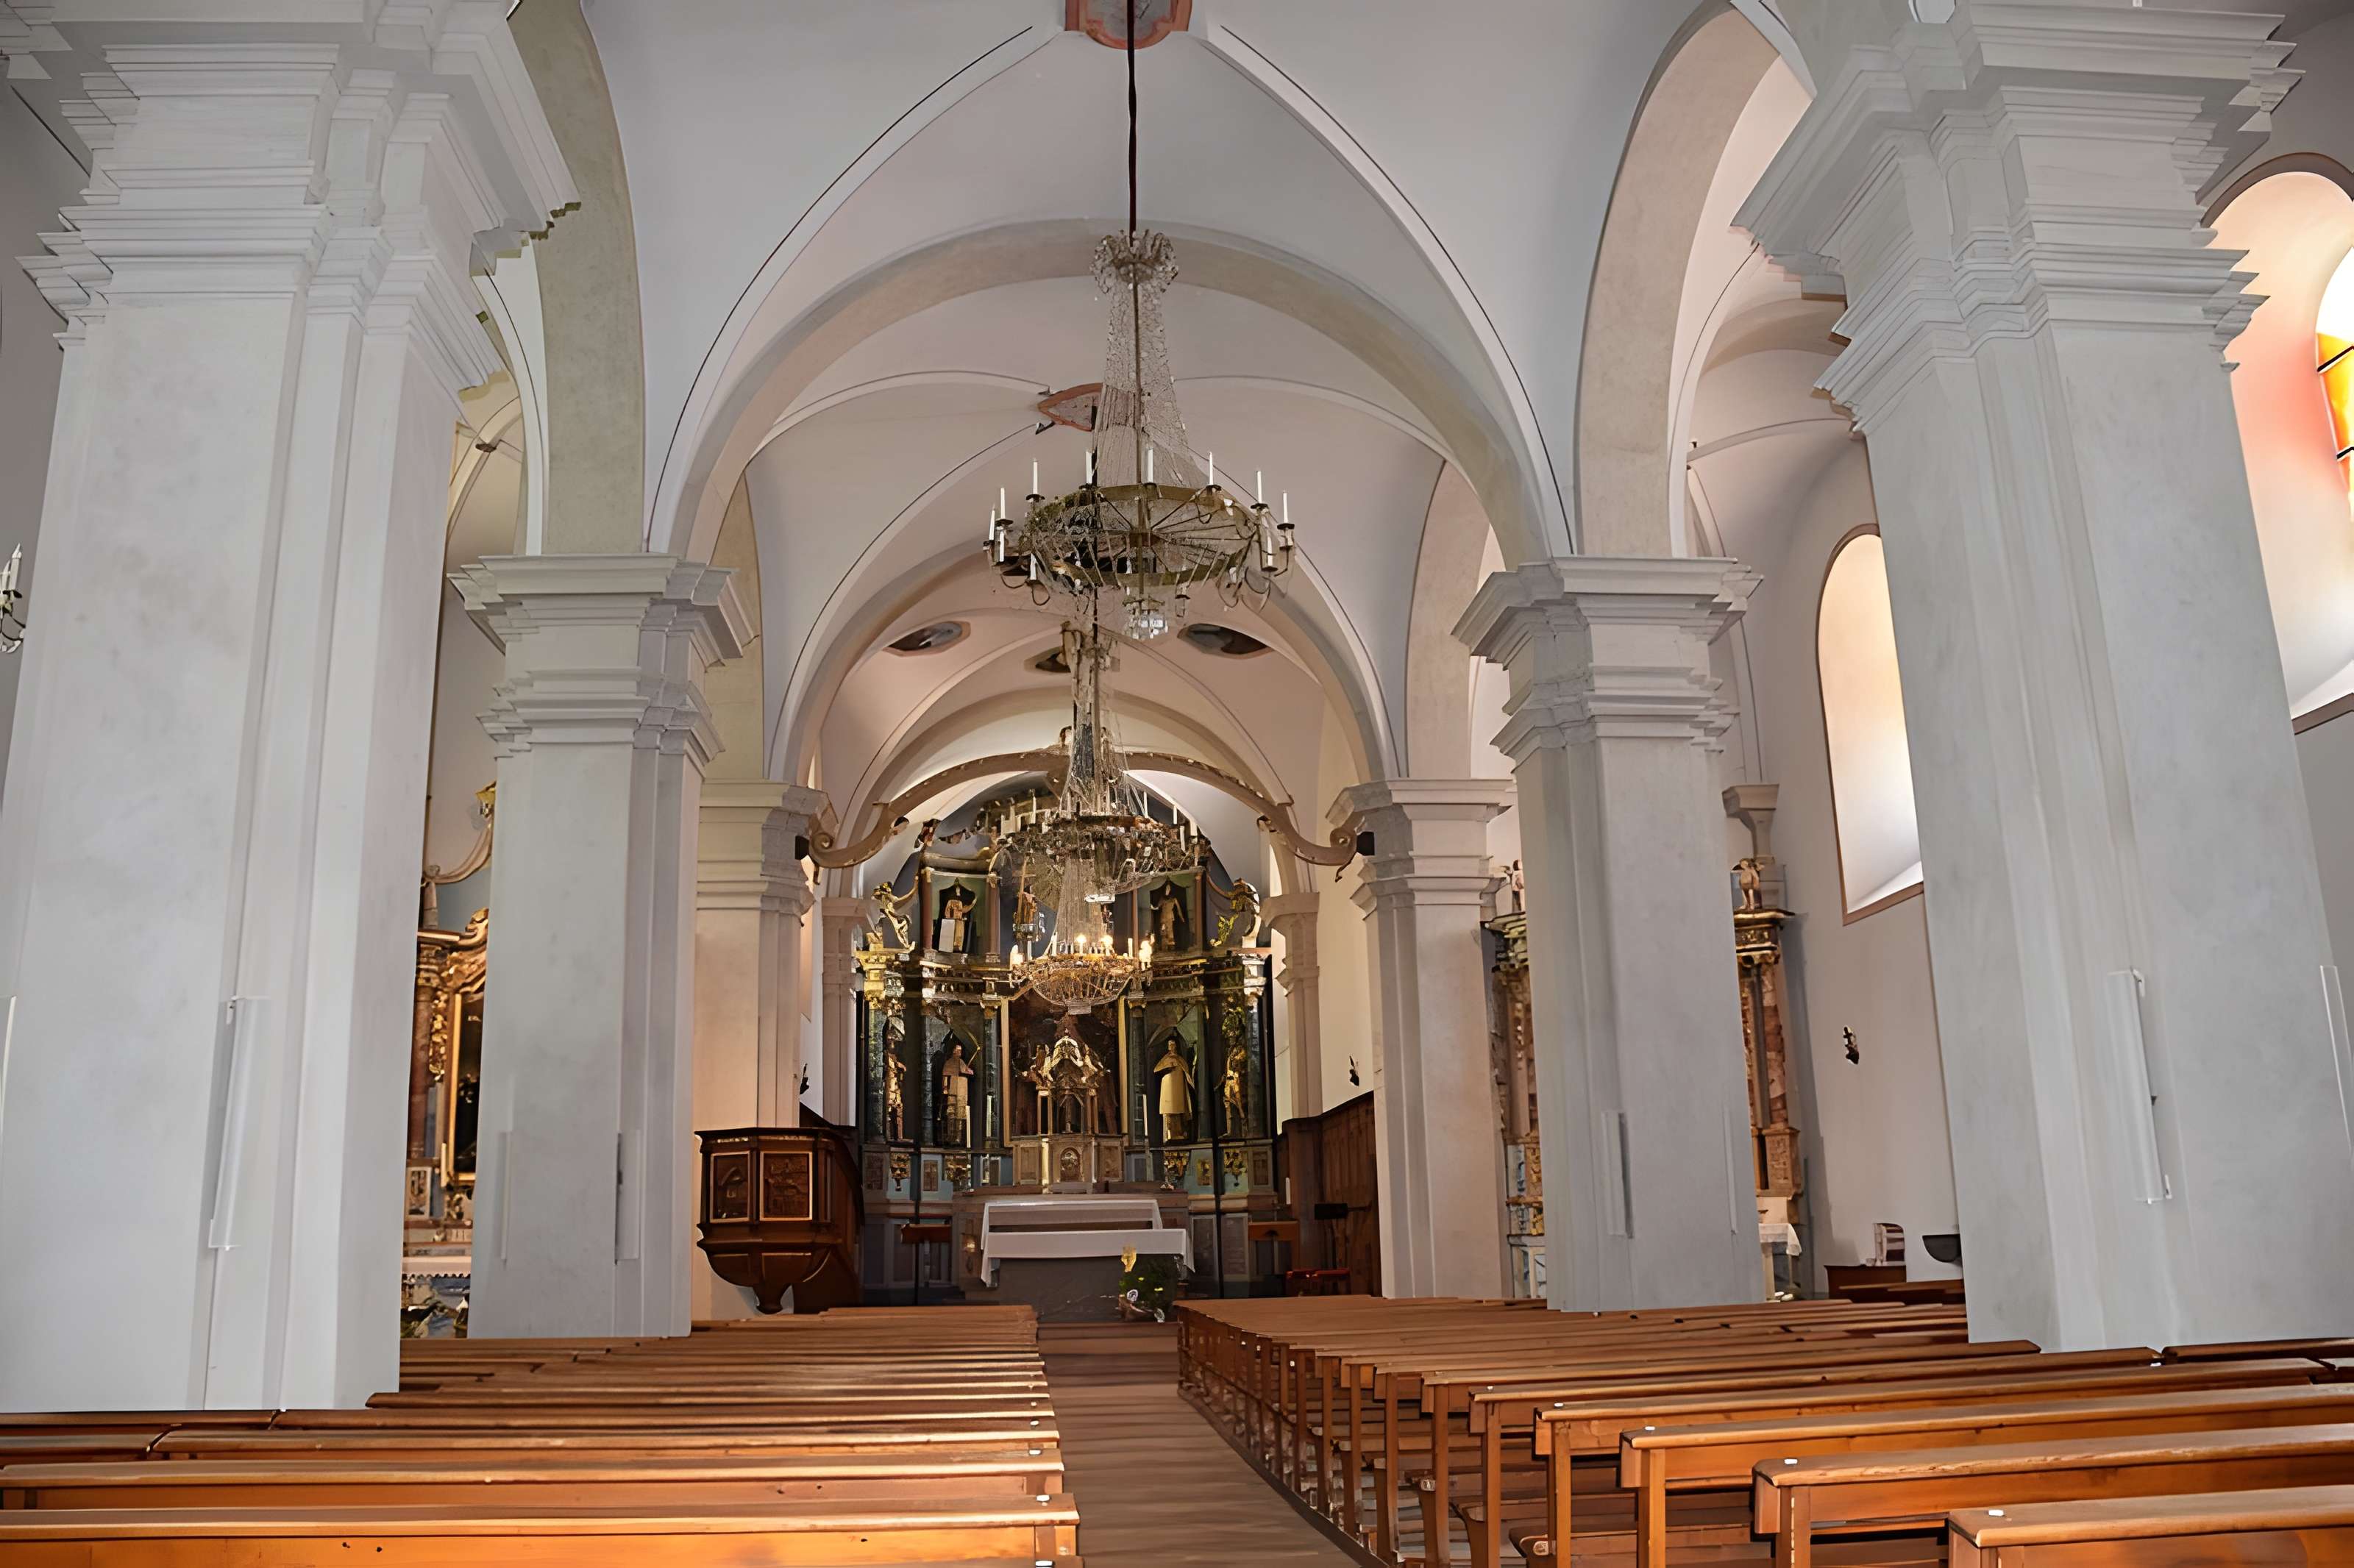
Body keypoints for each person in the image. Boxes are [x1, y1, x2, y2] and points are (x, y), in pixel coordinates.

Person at [1153, 1037, 1194, 1143]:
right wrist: (1167, 1069)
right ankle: (1170, 1133)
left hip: (1178, 1088)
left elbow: (1186, 1072)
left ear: (1176, 1046)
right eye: (1169, 1045)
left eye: (1173, 1044)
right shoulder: (1165, 1059)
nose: (1171, 1046)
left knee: (1179, 1109)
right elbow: (1157, 1070)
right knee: (1170, 1111)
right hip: (1168, 1087)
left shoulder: (1180, 1059)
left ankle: (1181, 1133)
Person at [939, 1041, 975, 1147]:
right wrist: (945, 1088)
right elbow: (945, 1075)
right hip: (952, 1091)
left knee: (960, 1115)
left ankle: (958, 1137)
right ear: (953, 1051)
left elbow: (966, 1070)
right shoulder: (949, 1063)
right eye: (958, 1050)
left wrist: (968, 1071)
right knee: (951, 1115)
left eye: (961, 1050)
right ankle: (950, 1136)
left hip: (962, 1090)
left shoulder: (961, 1062)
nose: (959, 1052)